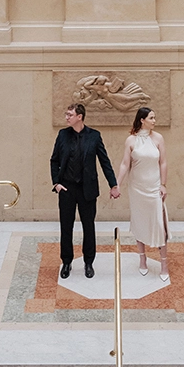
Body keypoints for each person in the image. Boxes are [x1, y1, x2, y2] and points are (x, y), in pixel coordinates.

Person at [49, 102, 120, 280]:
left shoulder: (94, 136)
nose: (66, 117)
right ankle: (66, 262)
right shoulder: (62, 135)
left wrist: (113, 184)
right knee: (66, 227)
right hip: (66, 188)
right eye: (66, 114)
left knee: (88, 227)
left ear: (79, 117)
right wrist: (56, 183)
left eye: (69, 115)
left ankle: (88, 263)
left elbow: (105, 162)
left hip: (87, 189)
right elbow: (54, 160)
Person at [118, 107, 169, 278]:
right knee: (139, 222)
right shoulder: (131, 140)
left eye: (155, 117)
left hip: (154, 187)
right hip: (137, 188)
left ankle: (164, 264)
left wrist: (163, 184)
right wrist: (117, 184)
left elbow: (163, 163)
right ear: (142, 120)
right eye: (152, 118)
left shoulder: (158, 138)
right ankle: (142, 260)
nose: (154, 121)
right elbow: (125, 164)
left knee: (159, 224)